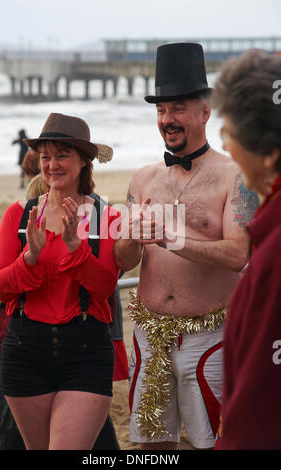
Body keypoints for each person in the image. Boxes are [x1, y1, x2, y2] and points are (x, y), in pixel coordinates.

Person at [114, 42, 259, 450]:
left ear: (205, 111)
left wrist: (173, 238)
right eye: (161, 110)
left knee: (212, 442)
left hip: (211, 335)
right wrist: (131, 238)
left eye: (177, 108)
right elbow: (121, 262)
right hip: (148, 333)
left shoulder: (236, 176)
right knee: (151, 448)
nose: (167, 119)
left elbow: (238, 255)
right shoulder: (142, 179)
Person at [0, 112, 121, 450]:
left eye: (62, 155)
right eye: (46, 156)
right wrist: (28, 259)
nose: (52, 165)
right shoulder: (18, 215)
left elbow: (105, 289)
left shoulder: (107, 217)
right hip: (24, 351)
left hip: (85, 351)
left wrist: (78, 251)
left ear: (84, 160)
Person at [211, 49, 281, 450]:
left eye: (229, 136)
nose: (228, 151)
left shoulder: (274, 255)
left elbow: (260, 403)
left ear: (270, 154)